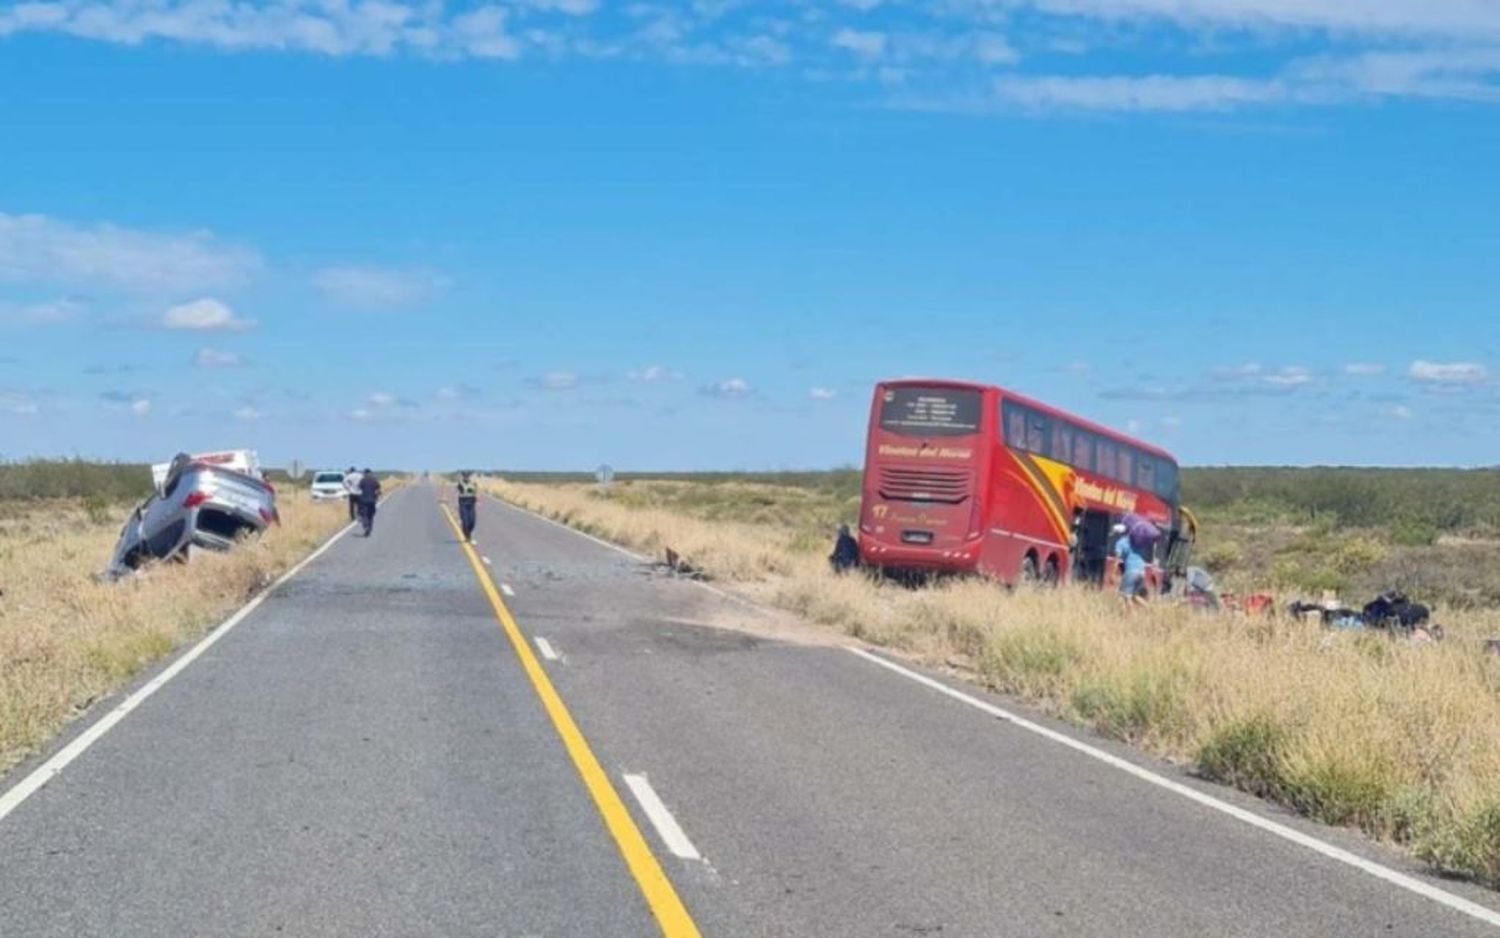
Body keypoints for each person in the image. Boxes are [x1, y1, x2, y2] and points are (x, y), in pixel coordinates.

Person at [1112, 522, 1148, 606]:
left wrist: (1113, 573)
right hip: (1142, 571)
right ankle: (1152, 610)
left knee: (1124, 596)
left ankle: (1129, 617)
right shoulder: (1136, 542)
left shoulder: (1120, 542)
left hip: (1131, 571)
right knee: (1134, 596)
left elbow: (1117, 559)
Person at [456, 471, 479, 542]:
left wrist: (478, 500)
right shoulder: (460, 484)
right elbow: (459, 489)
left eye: (467, 476)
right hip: (463, 503)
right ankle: (467, 535)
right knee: (465, 521)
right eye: (465, 476)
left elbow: (476, 492)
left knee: (472, 521)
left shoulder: (473, 484)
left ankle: (469, 532)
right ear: (463, 477)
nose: (466, 477)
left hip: (472, 503)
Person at [357, 468, 381, 535]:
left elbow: (359, 489)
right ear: (370, 473)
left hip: (364, 500)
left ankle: (366, 526)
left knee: (364, 514)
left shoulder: (362, 480)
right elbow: (378, 490)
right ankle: (369, 528)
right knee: (371, 515)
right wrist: (377, 497)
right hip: (372, 500)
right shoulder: (374, 480)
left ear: (364, 473)